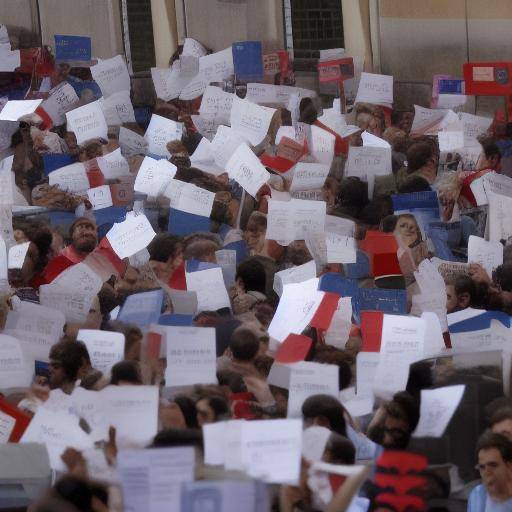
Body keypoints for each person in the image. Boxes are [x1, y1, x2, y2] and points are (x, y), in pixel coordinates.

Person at [468, 432, 512, 511]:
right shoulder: (476, 495)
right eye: (482, 467)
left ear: (509, 466)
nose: (487, 472)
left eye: (493, 465)